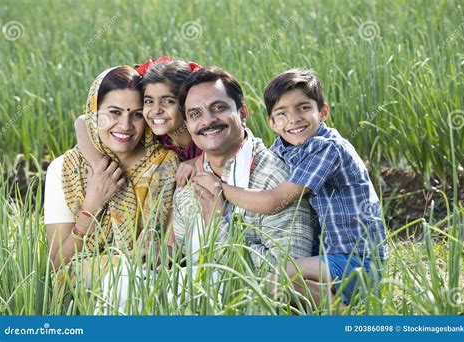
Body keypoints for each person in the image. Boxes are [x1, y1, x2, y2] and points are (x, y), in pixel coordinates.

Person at [194, 68, 387, 305]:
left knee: (276, 277)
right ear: (272, 123)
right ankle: (337, 308)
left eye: (303, 108)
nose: (294, 119)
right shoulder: (284, 147)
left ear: (323, 111)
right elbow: (257, 157)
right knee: (286, 287)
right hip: (326, 259)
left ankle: (347, 319)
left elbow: (274, 200)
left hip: (356, 261)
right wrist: (194, 163)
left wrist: (220, 188)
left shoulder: (327, 149)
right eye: (282, 113)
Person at [44, 66, 179, 312]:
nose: (125, 125)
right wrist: (92, 205)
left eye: (137, 115)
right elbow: (55, 264)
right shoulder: (65, 169)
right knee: (126, 280)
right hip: (86, 284)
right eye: (114, 113)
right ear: (94, 113)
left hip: (151, 277)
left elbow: (170, 247)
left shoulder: (164, 163)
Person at [172, 66, 316, 273]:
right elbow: (183, 259)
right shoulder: (188, 181)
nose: (208, 120)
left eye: (219, 108)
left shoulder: (275, 177)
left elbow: (286, 273)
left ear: (242, 113)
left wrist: (216, 225)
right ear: (187, 125)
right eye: (195, 114)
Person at [74, 57, 202, 188]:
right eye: (148, 101)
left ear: (186, 102)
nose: (156, 110)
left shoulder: (205, 135)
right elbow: (82, 122)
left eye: (168, 101)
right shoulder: (149, 130)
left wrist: (200, 161)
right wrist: (100, 167)